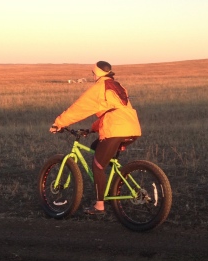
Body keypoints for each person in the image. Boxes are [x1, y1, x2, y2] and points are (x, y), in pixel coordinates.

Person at [49, 61, 142, 215]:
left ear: (98, 73)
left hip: (116, 130)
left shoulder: (99, 88)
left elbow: (79, 108)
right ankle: (114, 181)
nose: (92, 75)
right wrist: (92, 129)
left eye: (93, 73)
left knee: (98, 166)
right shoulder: (117, 86)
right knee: (95, 147)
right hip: (132, 128)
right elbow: (113, 112)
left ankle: (99, 206)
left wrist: (59, 123)